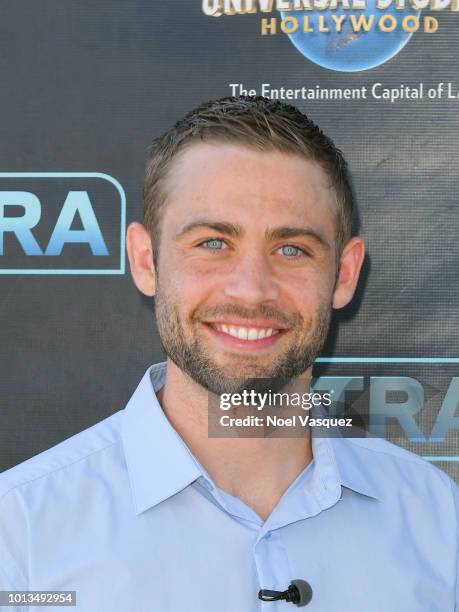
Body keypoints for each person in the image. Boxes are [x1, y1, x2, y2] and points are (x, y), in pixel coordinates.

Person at [0, 96, 457, 611]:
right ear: (146, 261)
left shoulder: (440, 523)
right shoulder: (19, 535)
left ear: (345, 275)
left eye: (292, 249)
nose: (251, 290)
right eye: (213, 242)